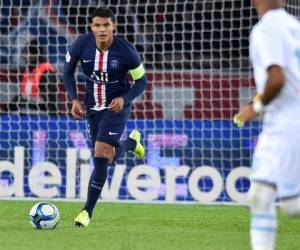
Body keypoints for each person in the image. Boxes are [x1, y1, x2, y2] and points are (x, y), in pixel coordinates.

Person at [63, 7, 147, 227]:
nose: (102, 30)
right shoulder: (81, 45)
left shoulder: (127, 51)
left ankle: (86, 212)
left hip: (115, 109)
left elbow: (142, 81)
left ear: (113, 26)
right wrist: (73, 99)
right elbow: (67, 72)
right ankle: (131, 143)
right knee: (107, 157)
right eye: (97, 25)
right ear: (91, 27)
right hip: (92, 108)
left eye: (106, 25)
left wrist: (124, 99)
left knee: (100, 155)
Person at [233, 0, 300, 249]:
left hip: (288, 124)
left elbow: (277, 78)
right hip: (282, 121)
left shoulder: (266, 29)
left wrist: (256, 107)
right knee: (263, 196)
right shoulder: (293, 25)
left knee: (288, 205)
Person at [3, 39, 59, 115]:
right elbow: (22, 95)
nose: (25, 56)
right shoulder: (30, 70)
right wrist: (6, 109)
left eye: (27, 53)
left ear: (35, 54)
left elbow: (51, 100)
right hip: (26, 110)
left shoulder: (45, 71)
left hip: (40, 114)